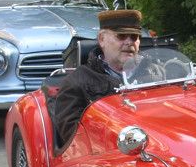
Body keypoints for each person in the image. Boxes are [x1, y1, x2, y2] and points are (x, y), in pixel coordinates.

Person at [54, 10, 143, 147]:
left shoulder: (158, 73)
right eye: (121, 36)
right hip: (108, 154)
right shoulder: (77, 81)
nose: (129, 42)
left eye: (134, 37)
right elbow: (73, 137)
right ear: (102, 39)